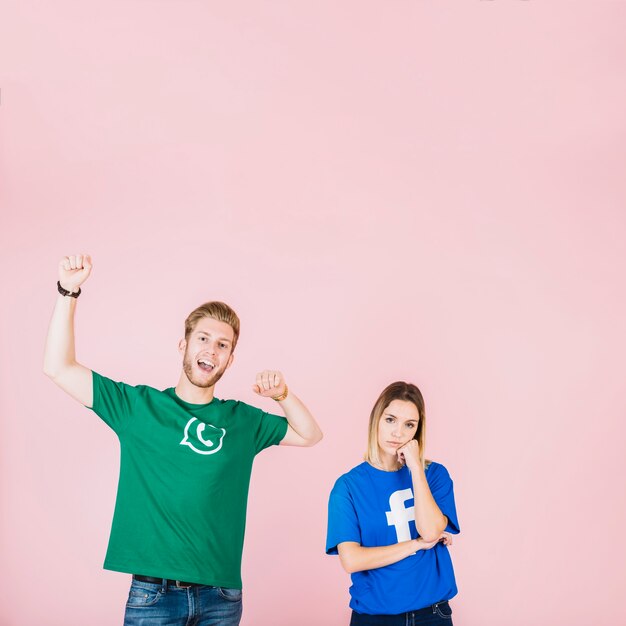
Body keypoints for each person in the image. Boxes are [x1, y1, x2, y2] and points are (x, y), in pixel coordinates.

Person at [44, 254, 323, 626]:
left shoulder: (242, 420)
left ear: (230, 360)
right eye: (204, 339)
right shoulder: (138, 407)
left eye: (223, 345)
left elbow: (310, 434)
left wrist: (283, 394)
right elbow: (58, 367)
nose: (211, 350)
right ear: (183, 346)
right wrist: (68, 291)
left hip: (221, 596)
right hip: (154, 595)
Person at [326, 381, 459, 625]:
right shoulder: (348, 487)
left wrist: (416, 468)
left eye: (409, 425)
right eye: (390, 420)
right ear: (376, 420)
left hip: (433, 615)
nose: (398, 432)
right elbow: (352, 560)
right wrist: (417, 545)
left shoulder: (435, 475)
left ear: (417, 432)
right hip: (375, 618)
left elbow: (430, 530)